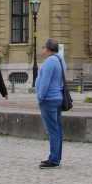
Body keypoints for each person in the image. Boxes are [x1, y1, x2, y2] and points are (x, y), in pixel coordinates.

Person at [35, 38, 65, 169]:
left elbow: (44, 83)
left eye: (43, 47)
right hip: (57, 97)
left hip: (48, 99)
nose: (42, 50)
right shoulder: (60, 60)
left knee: (52, 130)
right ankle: (56, 157)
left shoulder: (49, 62)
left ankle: (53, 159)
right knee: (57, 129)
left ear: (47, 49)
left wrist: (40, 97)